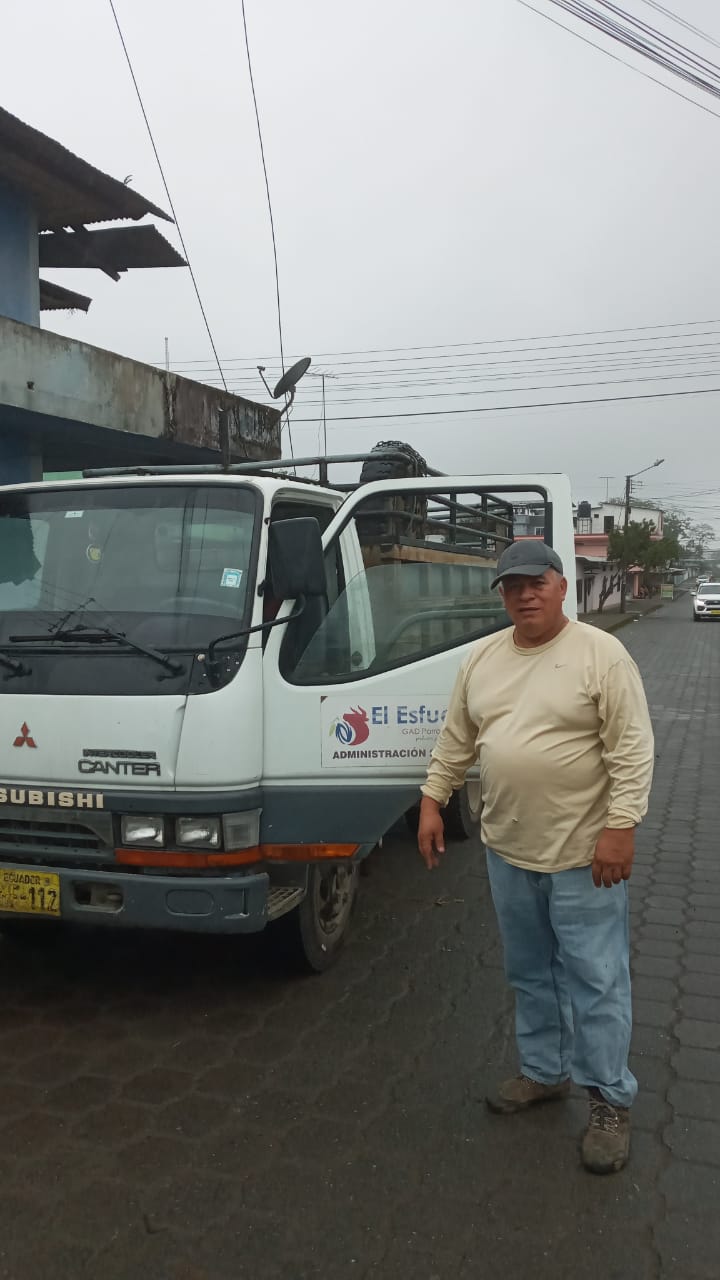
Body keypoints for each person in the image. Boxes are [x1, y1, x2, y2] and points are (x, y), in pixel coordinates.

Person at [417, 539, 654, 1176]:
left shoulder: (601, 654)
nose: (524, 594)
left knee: (597, 980)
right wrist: (434, 799)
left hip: (584, 856)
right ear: (502, 595)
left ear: (562, 586)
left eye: (536, 582)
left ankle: (608, 1099)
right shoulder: (482, 659)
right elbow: (458, 737)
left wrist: (621, 827)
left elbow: (632, 749)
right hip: (508, 851)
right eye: (512, 585)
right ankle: (546, 1072)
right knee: (530, 973)